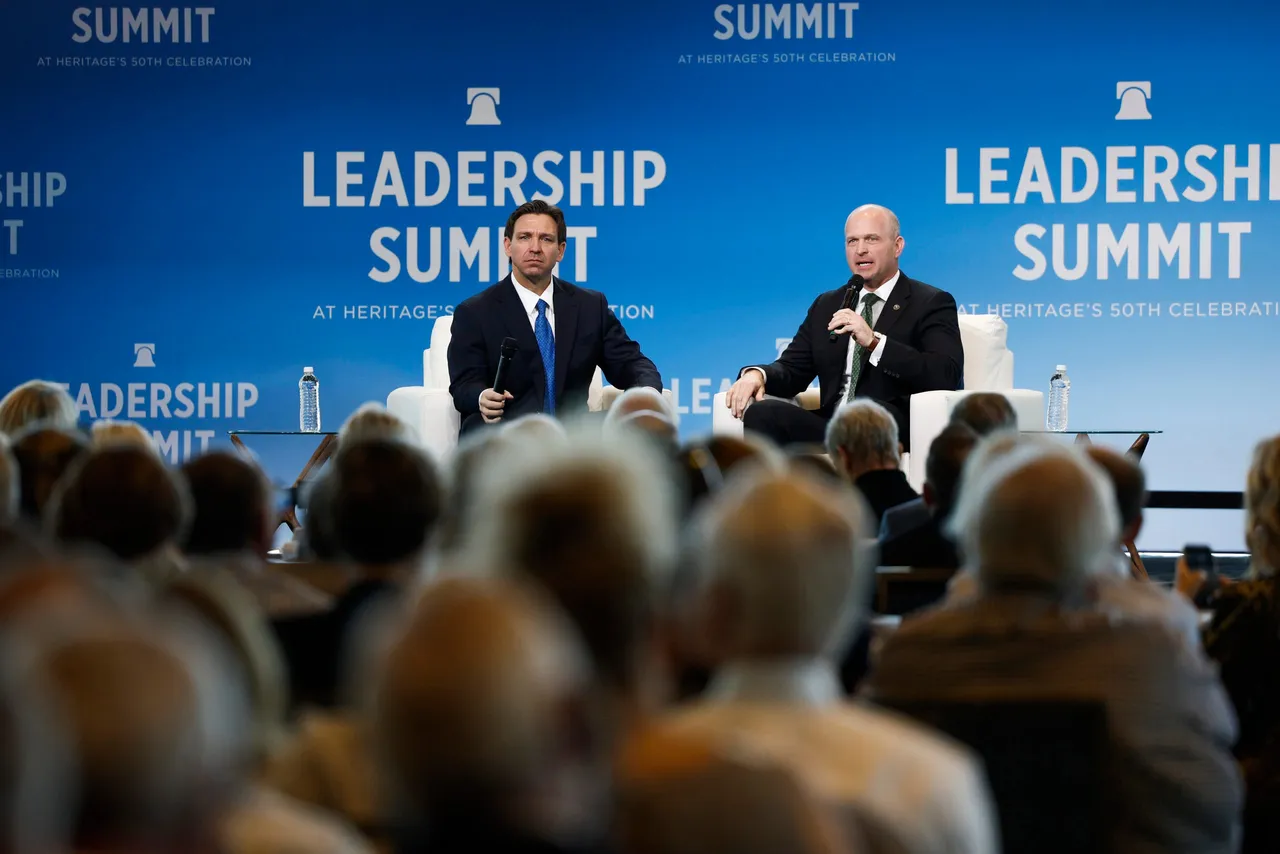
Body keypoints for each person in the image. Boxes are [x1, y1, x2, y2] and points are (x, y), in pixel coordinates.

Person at [724, 205, 962, 451]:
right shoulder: (828, 304)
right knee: (764, 413)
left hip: (884, 425)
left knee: (870, 419)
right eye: (852, 241)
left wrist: (874, 342)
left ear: (897, 246)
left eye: (872, 239)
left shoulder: (931, 301)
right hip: (833, 424)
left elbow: (944, 374)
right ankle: (778, 490)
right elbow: (793, 369)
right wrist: (756, 375)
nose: (861, 250)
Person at [448, 200, 662, 435]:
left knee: (638, 425)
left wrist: (647, 395)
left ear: (560, 250)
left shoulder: (589, 306)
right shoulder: (476, 312)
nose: (535, 248)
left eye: (546, 239)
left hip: (575, 437)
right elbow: (464, 384)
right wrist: (481, 397)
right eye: (524, 237)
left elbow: (632, 364)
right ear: (508, 246)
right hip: (506, 435)